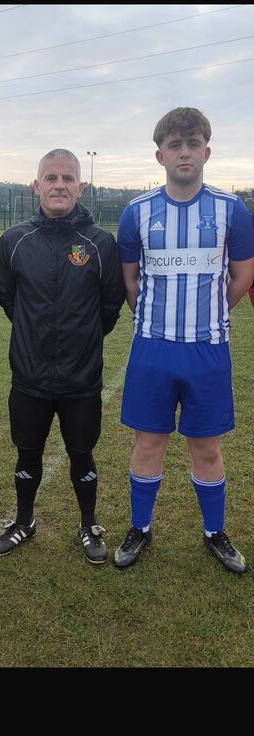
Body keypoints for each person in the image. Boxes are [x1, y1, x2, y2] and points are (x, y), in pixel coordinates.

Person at [114, 107, 254, 574]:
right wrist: (157, 320)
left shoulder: (231, 209)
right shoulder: (136, 211)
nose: (185, 152)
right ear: (160, 155)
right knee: (148, 443)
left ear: (207, 151)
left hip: (206, 351)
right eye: (175, 145)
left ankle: (215, 532)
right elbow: (130, 282)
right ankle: (140, 527)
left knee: (207, 447)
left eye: (193, 144)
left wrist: (209, 316)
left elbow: (242, 275)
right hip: (152, 349)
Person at [0, 149, 125, 563]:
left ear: (80, 187)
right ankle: (25, 522)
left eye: (68, 178)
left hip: (80, 378)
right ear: (36, 186)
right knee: (26, 453)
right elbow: (8, 300)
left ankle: (88, 525)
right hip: (29, 376)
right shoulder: (14, 241)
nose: (59, 185)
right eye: (51, 178)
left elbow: (109, 307)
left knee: (82, 453)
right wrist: (35, 338)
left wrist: (80, 342)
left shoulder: (100, 243)